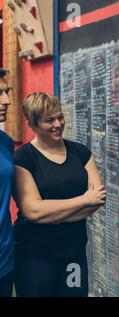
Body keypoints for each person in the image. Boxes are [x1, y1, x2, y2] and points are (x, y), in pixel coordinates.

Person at [12, 93, 106, 297]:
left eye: (60, 117)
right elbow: (33, 211)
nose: (58, 124)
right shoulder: (23, 158)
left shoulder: (80, 153)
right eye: (49, 120)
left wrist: (52, 214)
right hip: (34, 257)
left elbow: (97, 199)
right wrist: (83, 200)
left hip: (74, 254)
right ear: (32, 124)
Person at [0, 69, 14, 297]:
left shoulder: (5, 142)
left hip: (5, 260)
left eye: (7, 91)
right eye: (0, 93)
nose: (7, 100)